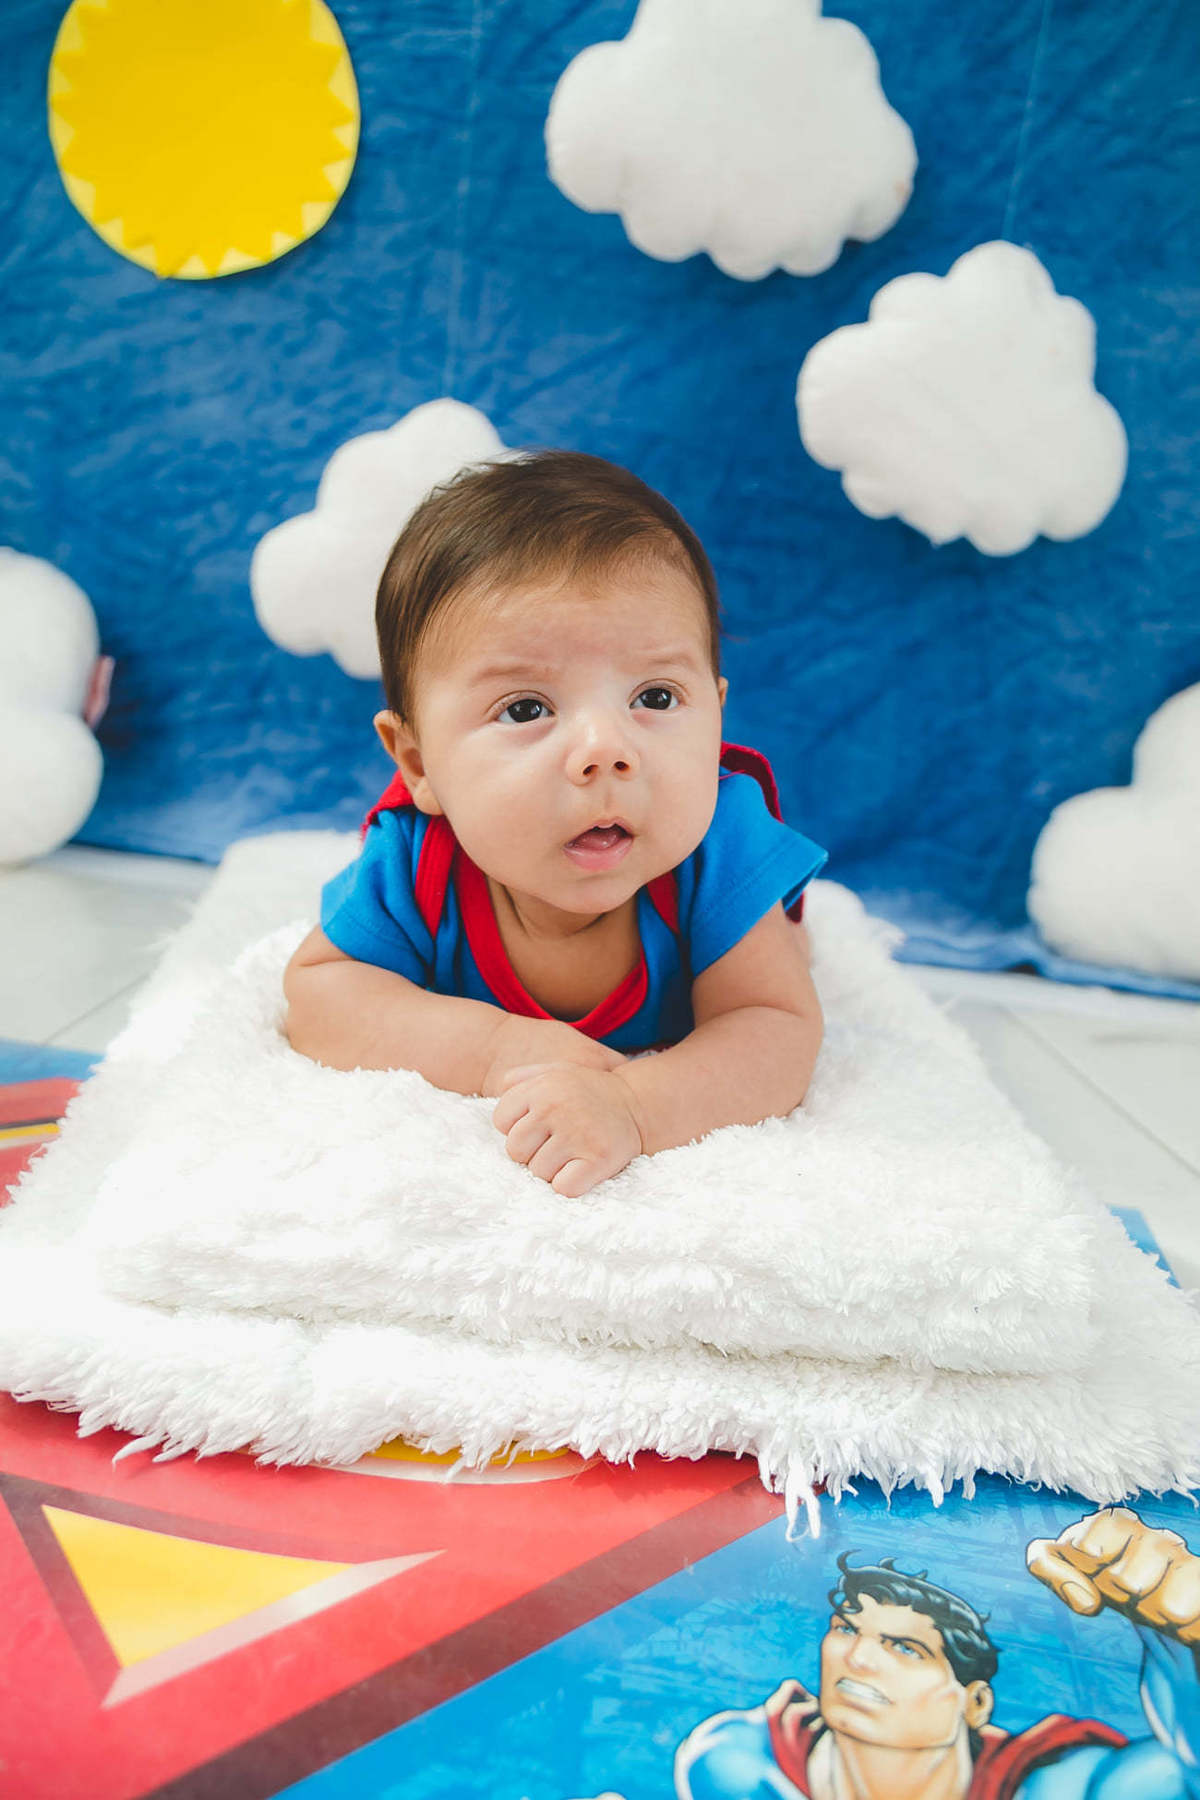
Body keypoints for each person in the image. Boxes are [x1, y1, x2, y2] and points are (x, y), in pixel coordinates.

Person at [283, 451, 827, 1198]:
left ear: (717, 713)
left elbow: (776, 1029)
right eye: (526, 709)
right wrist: (495, 1048)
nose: (606, 750)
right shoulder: (418, 859)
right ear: (418, 763)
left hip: (730, 922)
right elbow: (319, 995)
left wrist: (634, 1106)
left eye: (656, 697)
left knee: (782, 962)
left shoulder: (717, 848)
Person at [675, 1508, 1200, 1799]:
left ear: (975, 1702)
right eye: (847, 1629)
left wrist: (1182, 1646)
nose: (858, 1659)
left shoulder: (1046, 1785)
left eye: (906, 1648)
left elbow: (1178, 1779)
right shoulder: (737, 1763)